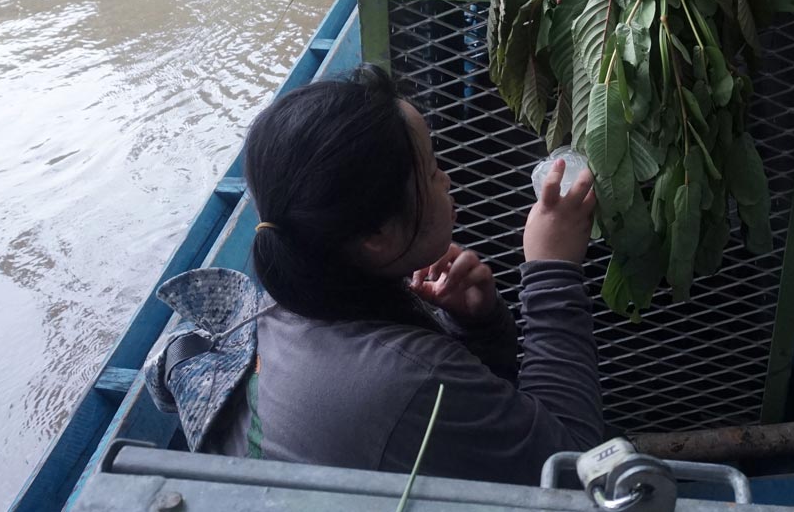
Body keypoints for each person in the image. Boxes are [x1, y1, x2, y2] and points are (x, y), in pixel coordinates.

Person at [197, 66, 602, 485]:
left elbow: (468, 419)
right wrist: (554, 270)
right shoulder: (411, 379)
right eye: (430, 171)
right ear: (376, 235)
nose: (445, 179)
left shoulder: (289, 302)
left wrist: (474, 327)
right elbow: (572, 466)